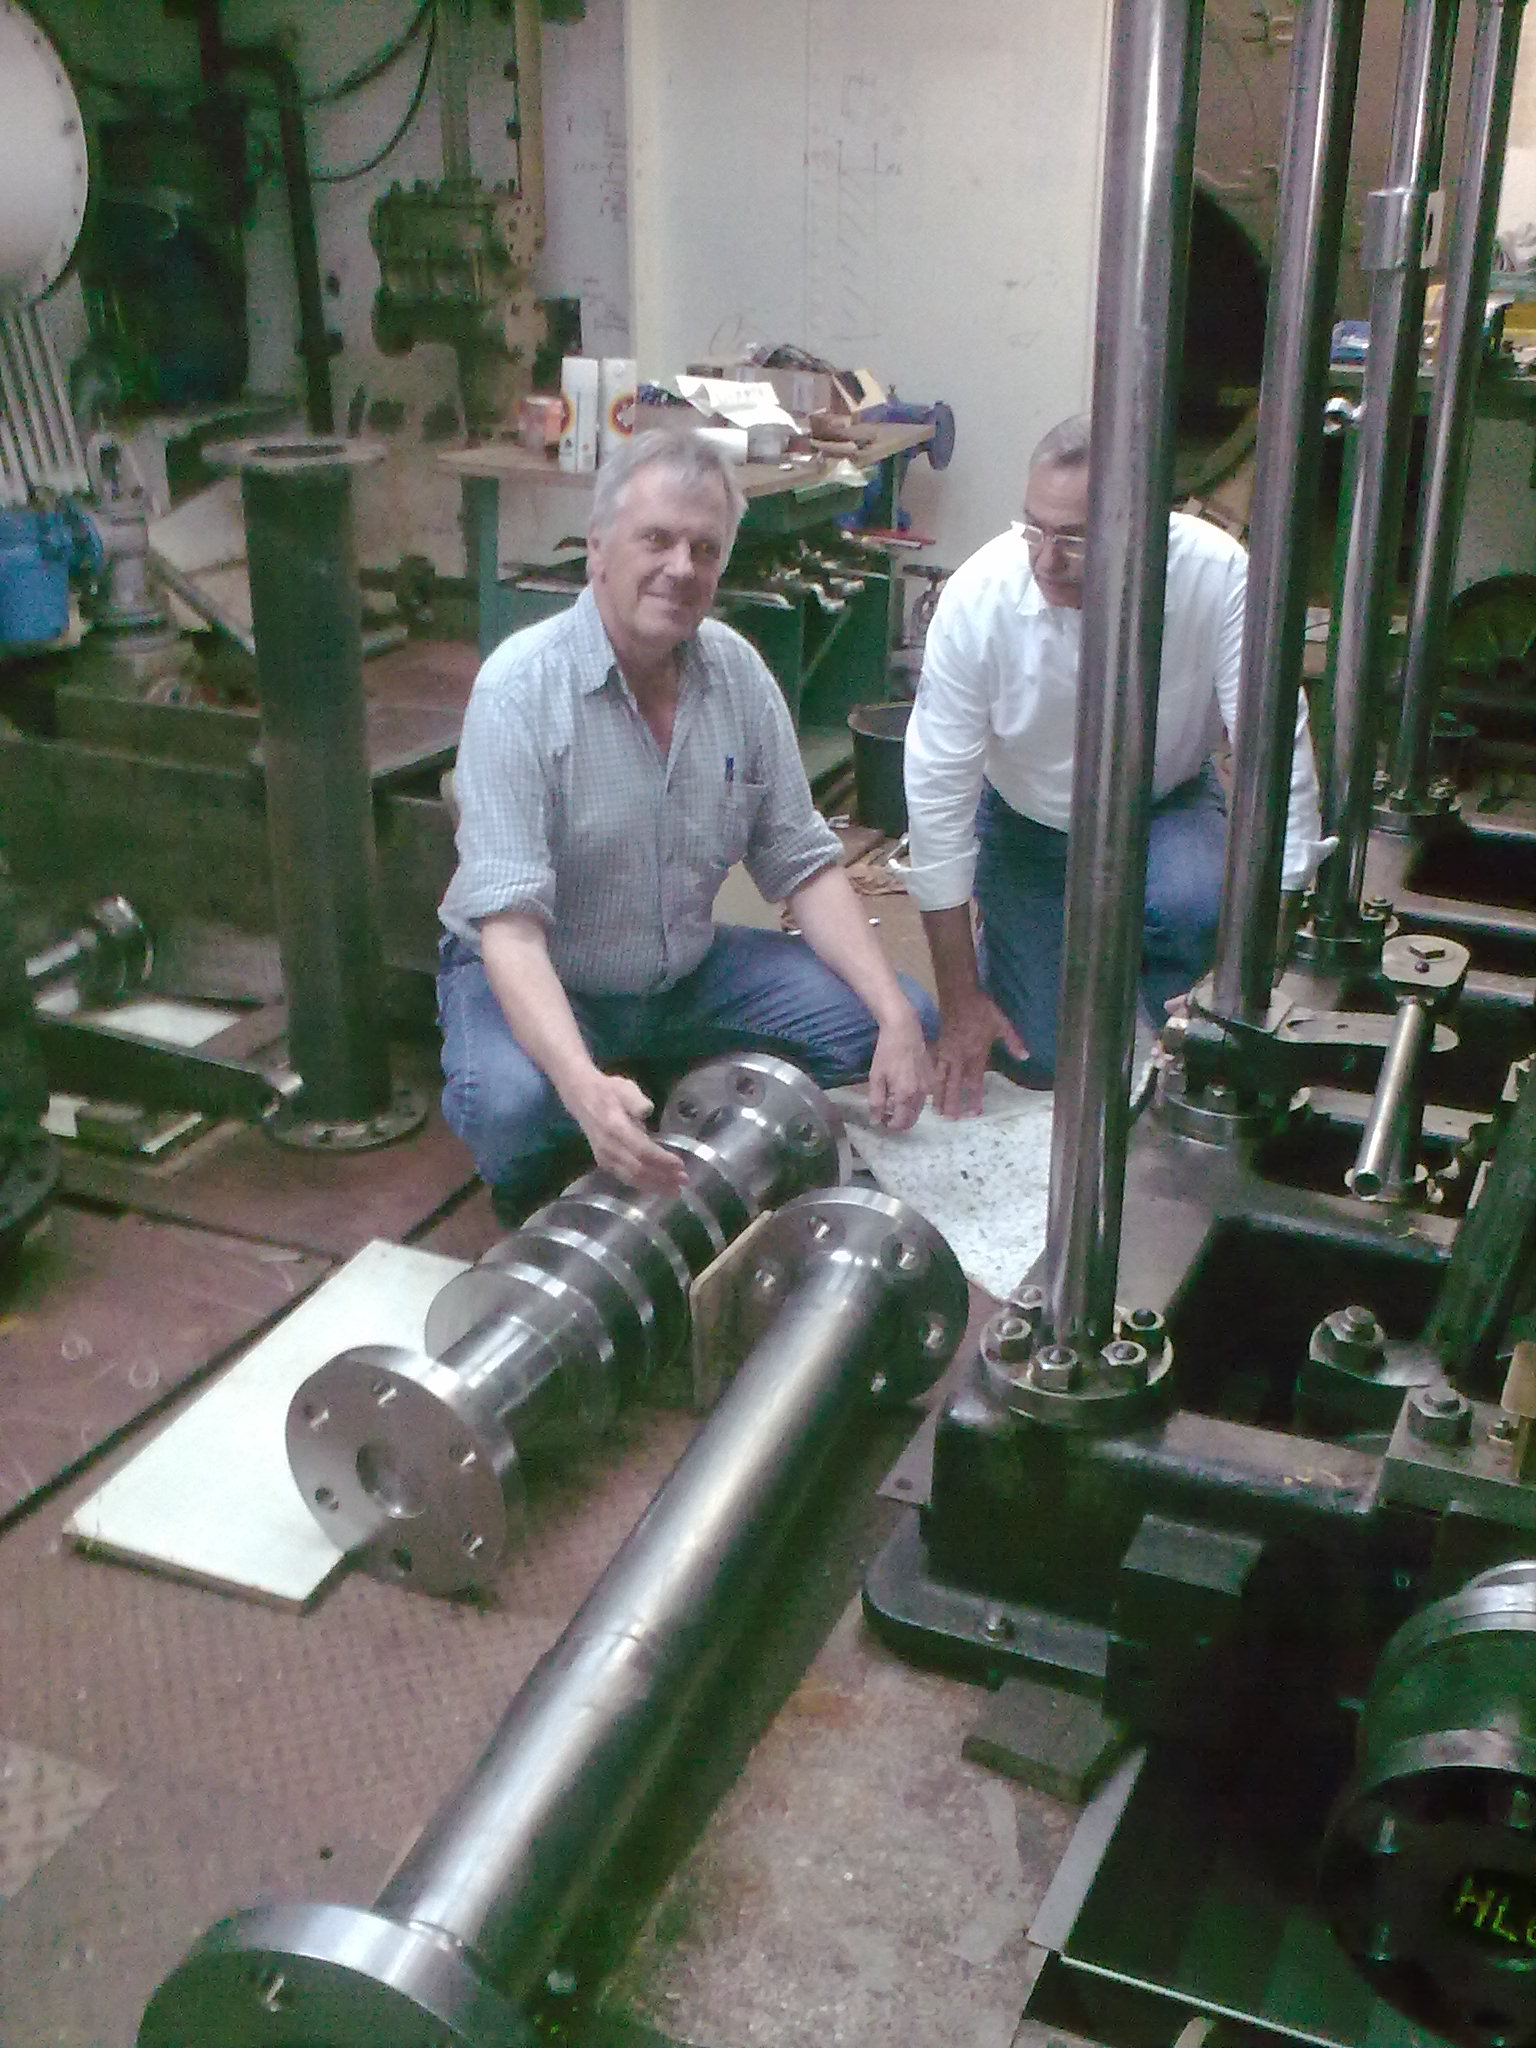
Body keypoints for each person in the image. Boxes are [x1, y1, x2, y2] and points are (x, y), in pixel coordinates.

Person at [438, 427, 936, 1219]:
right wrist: (579, 1083)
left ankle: (645, 1075)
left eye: (705, 549)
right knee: (509, 1107)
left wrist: (895, 1015)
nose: (680, 568)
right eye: (656, 540)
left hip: (683, 977)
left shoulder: (736, 674)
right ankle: (586, 1113)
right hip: (547, 973)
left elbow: (804, 863)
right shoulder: (520, 692)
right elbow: (512, 931)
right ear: (597, 548)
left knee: (900, 1022)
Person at [903, 413, 1331, 1117]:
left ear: (1148, 529)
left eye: (1074, 538)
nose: (1046, 561)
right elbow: (936, 799)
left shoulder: (1218, 573)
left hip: (1164, 805)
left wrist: (1257, 967)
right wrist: (959, 999)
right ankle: (1029, 942)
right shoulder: (979, 598)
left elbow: (1275, 750)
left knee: (1195, 938)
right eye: (1033, 528)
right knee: (1040, 1058)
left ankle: (1143, 962)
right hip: (1028, 820)